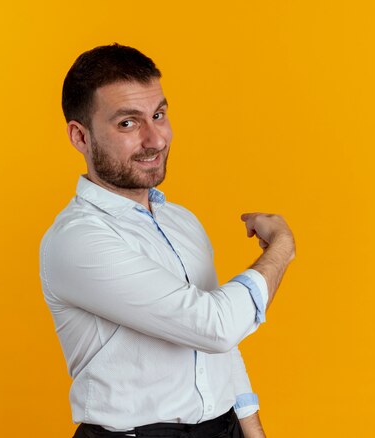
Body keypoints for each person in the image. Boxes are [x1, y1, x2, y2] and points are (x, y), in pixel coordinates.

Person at [39, 43, 295, 438]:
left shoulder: (182, 221)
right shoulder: (77, 241)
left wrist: (252, 428)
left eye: (158, 115)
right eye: (128, 123)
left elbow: (221, 347)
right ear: (80, 137)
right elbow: (218, 326)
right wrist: (281, 246)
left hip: (222, 429)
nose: (155, 139)